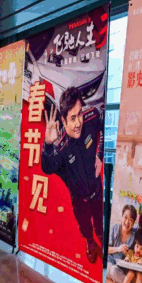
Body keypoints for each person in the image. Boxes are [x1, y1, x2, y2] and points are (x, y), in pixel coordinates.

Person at [41, 87, 104, 264]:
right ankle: (90, 242)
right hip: (79, 200)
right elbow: (47, 168)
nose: (78, 123)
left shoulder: (91, 117)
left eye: (79, 114)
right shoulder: (61, 147)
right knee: (85, 228)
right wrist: (47, 144)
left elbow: (106, 128)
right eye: (72, 118)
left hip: (97, 190)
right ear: (63, 120)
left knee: (100, 223)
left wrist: (100, 155)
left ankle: (101, 236)